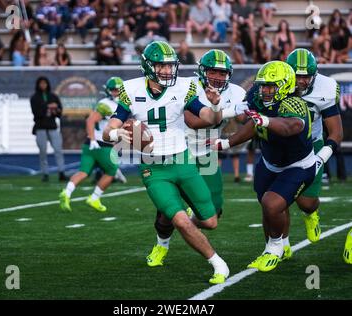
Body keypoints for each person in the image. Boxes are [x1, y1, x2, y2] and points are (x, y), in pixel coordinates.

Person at [103, 41, 229, 284]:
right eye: (162, 66)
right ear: (148, 67)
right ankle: (218, 264)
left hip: (183, 160)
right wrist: (116, 135)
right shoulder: (130, 90)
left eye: (170, 66)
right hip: (154, 169)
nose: (168, 71)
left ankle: (172, 231)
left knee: (210, 222)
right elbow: (108, 130)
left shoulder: (184, 87)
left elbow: (209, 118)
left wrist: (215, 105)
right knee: (180, 220)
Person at [214, 61, 320, 272]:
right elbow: (252, 124)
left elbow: (291, 127)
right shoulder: (257, 94)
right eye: (263, 85)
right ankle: (278, 246)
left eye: (271, 86)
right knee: (267, 205)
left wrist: (265, 120)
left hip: (298, 165)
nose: (265, 90)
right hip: (270, 162)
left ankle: (274, 249)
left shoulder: (294, 103)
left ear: (286, 85)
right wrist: (226, 143)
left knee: (274, 204)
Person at [147, 49, 246, 268]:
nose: (218, 77)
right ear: (202, 71)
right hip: (178, 153)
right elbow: (192, 120)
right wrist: (226, 110)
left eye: (222, 73)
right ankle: (161, 245)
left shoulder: (236, 92)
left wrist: (254, 108)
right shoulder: (184, 86)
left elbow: (243, 117)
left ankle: (185, 225)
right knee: (166, 214)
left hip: (206, 156)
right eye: (213, 72)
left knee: (213, 217)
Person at [285, 49, 343, 251]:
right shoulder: (275, 82)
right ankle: (279, 245)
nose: (300, 81)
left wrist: (321, 157)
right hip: (279, 145)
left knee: (306, 202)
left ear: (314, 75)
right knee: (275, 200)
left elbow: (335, 132)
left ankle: (311, 215)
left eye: (305, 76)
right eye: (296, 75)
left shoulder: (325, 88)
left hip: (311, 145)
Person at [59, 77, 124, 212]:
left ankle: (66, 192)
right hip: (101, 144)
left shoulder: (116, 103)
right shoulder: (106, 104)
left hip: (90, 145)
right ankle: (94, 198)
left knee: (83, 172)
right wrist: (93, 139)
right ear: (108, 91)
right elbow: (90, 121)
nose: (116, 92)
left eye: (119, 90)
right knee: (111, 172)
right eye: (114, 90)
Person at [30, 76, 67, 182]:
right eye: (41, 83)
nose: (43, 85)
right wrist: (49, 107)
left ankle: (61, 172)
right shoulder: (34, 97)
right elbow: (36, 112)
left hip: (52, 126)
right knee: (43, 152)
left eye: (44, 83)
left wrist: (55, 110)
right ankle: (45, 173)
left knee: (58, 150)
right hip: (40, 127)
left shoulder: (53, 96)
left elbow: (60, 112)